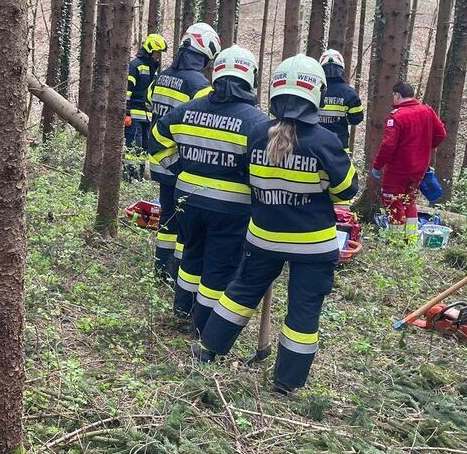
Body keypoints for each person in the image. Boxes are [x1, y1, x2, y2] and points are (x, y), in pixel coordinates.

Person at [192, 54, 359, 395]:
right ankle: (287, 382)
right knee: (303, 312)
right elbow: (346, 190)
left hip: (263, 238)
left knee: (240, 293)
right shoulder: (326, 141)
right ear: (317, 93)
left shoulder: (256, 133)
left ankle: (207, 349)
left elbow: (245, 175)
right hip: (313, 245)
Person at [146, 45, 269, 324]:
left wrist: (180, 169)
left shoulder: (187, 110)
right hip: (231, 208)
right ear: (250, 77)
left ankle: (182, 309)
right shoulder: (258, 123)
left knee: (191, 255)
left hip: (187, 200)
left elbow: (156, 139)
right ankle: (203, 324)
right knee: (219, 267)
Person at [148, 23, 221, 283]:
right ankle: (178, 272)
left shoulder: (162, 76)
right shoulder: (200, 85)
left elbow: (150, 102)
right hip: (184, 164)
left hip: (160, 159)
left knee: (167, 217)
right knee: (184, 224)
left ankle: (161, 269)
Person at [370, 81, 445, 237]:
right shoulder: (427, 111)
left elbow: (388, 146)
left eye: (394, 96)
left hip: (398, 169)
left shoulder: (396, 117)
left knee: (393, 202)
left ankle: (396, 240)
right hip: (419, 168)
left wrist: (377, 165)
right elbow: (441, 134)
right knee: (409, 201)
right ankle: (410, 239)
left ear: (397, 95)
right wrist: (424, 148)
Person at [125, 33, 168, 179]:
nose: (159, 56)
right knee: (133, 148)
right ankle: (130, 177)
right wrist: (126, 113)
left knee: (144, 148)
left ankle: (140, 177)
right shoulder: (135, 65)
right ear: (150, 50)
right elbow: (127, 91)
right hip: (134, 116)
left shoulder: (153, 69)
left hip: (147, 117)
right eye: (157, 52)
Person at [316, 49, 364, 154]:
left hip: (315, 147)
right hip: (339, 148)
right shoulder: (350, 93)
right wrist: (340, 120)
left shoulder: (313, 90)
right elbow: (357, 118)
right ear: (341, 69)